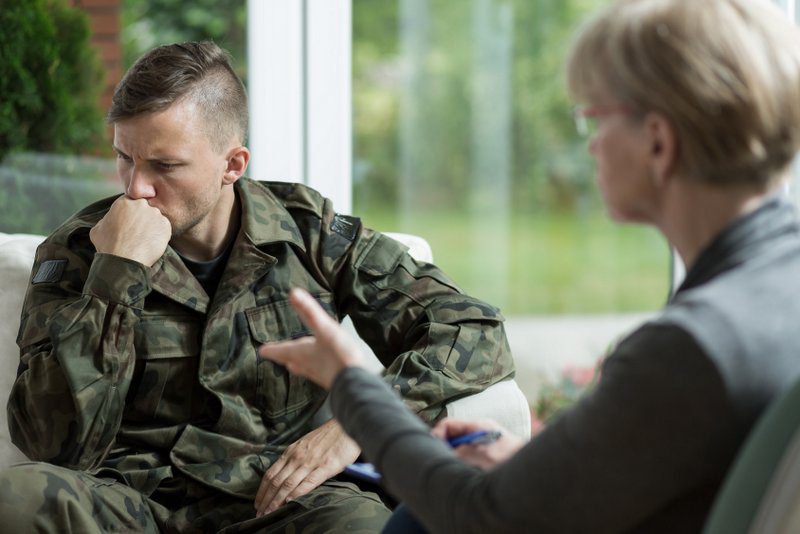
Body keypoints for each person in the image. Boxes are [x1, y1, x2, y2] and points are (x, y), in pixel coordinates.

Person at [260, 0, 800, 532]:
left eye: (593, 118)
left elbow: (477, 517)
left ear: (658, 142)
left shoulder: (687, 348)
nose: (589, 147)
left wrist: (352, 387)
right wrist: (542, 466)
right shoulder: (776, 286)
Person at [0, 41, 515, 532]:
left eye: (164, 165)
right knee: (13, 501)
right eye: (124, 157)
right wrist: (115, 273)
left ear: (233, 164)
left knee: (366, 527)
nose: (136, 188)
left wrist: (357, 424)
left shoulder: (309, 234)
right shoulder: (80, 250)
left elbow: (471, 327)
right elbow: (50, 442)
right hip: (127, 502)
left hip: (276, 498)